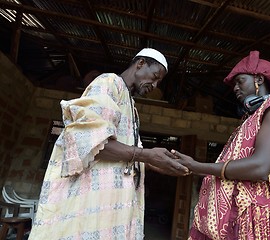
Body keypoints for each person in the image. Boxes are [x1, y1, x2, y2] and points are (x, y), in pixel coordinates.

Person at [28, 48, 189, 240]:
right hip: (90, 204)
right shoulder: (109, 83)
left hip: (111, 206)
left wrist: (155, 163)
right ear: (140, 64)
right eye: (155, 77)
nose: (154, 85)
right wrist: (146, 155)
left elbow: (126, 153)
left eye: (158, 82)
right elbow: (91, 143)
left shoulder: (130, 104)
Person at [172, 50, 270, 239]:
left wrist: (197, 166)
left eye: (240, 81)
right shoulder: (250, 118)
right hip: (238, 218)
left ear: (258, 79)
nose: (235, 88)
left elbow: (260, 167)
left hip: (260, 221)